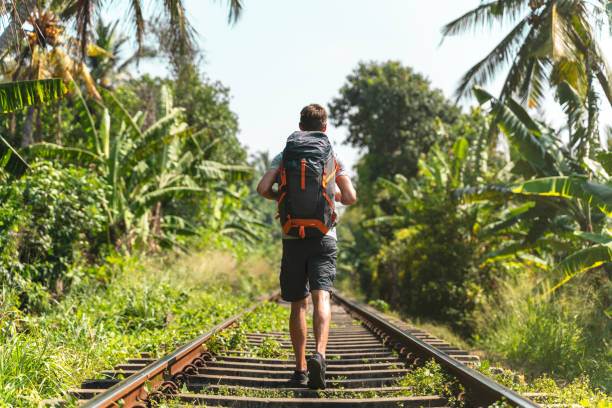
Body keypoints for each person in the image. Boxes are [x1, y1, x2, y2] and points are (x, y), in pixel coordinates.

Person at [256, 104, 357, 389]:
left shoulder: (285, 154)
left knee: (298, 304)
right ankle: (320, 356)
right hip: (325, 236)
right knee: (321, 298)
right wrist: (328, 193)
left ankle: (300, 369)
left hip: (293, 238)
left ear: (300, 127)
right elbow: (349, 196)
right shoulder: (332, 155)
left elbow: (262, 189)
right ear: (324, 127)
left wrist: (283, 196)